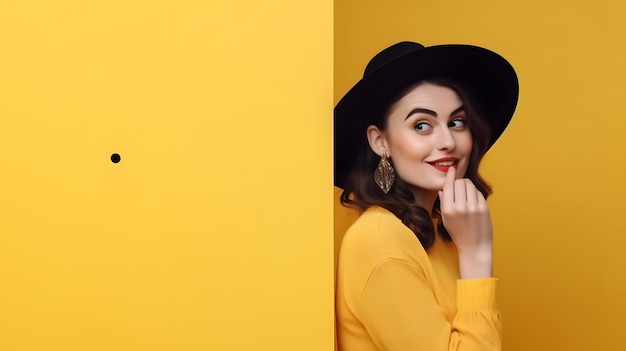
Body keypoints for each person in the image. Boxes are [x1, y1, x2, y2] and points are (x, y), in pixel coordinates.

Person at [334, 41, 519, 351]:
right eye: (422, 125)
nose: (447, 141)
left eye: (457, 122)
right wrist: (477, 255)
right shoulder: (380, 243)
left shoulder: (441, 232)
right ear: (380, 142)